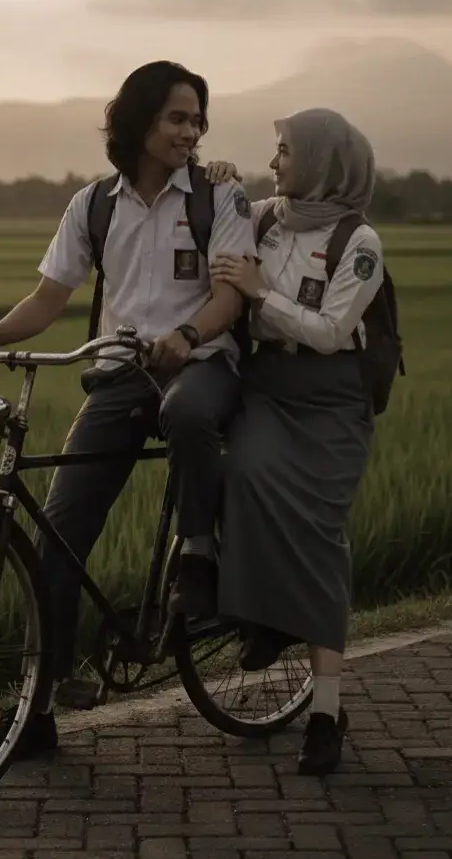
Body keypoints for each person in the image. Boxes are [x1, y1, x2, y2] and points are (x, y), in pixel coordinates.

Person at [0, 60, 256, 762]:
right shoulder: (94, 205)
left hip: (202, 365)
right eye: (177, 117)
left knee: (187, 415)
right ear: (138, 121)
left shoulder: (218, 200)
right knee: (56, 538)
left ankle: (199, 563)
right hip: (121, 378)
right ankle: (36, 713)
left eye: (197, 119)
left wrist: (185, 336)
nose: (191, 130)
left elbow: (231, 296)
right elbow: (49, 298)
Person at [204, 108, 384, 777]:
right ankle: (267, 616)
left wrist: (260, 294)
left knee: (319, 535)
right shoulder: (267, 217)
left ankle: (326, 713)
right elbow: (215, 220)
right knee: (245, 472)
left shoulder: (358, 241)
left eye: (284, 151)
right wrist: (218, 182)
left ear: (321, 161)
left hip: (332, 400)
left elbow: (333, 330)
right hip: (270, 390)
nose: (275, 163)